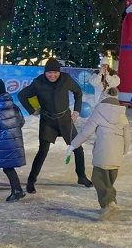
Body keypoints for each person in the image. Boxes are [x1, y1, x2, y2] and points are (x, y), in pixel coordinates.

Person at [18, 58, 92, 193]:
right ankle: (31, 181)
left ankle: (81, 176)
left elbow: (78, 93)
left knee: (78, 148)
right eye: (49, 73)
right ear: (45, 72)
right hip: (48, 121)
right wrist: (32, 110)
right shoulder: (38, 82)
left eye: (55, 72)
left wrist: (77, 110)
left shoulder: (66, 79)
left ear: (59, 72)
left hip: (65, 120)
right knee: (42, 151)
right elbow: (22, 95)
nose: (52, 75)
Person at [68, 88, 131, 221]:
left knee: (98, 178)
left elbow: (86, 132)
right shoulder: (122, 114)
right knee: (109, 179)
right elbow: (127, 135)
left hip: (103, 152)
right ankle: (111, 201)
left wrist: (73, 145)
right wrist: (125, 150)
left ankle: (107, 204)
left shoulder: (99, 111)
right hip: (117, 153)